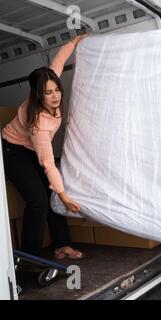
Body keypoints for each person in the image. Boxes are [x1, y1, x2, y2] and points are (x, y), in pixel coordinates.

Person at [1, 34, 88, 260]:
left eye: (57, 90)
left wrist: (74, 41)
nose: (55, 96)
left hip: (30, 150)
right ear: (38, 94)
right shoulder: (39, 123)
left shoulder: (49, 82)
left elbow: (57, 63)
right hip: (12, 151)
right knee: (39, 200)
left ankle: (62, 245)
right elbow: (48, 163)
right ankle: (29, 258)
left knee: (52, 196)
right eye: (48, 93)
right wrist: (64, 195)